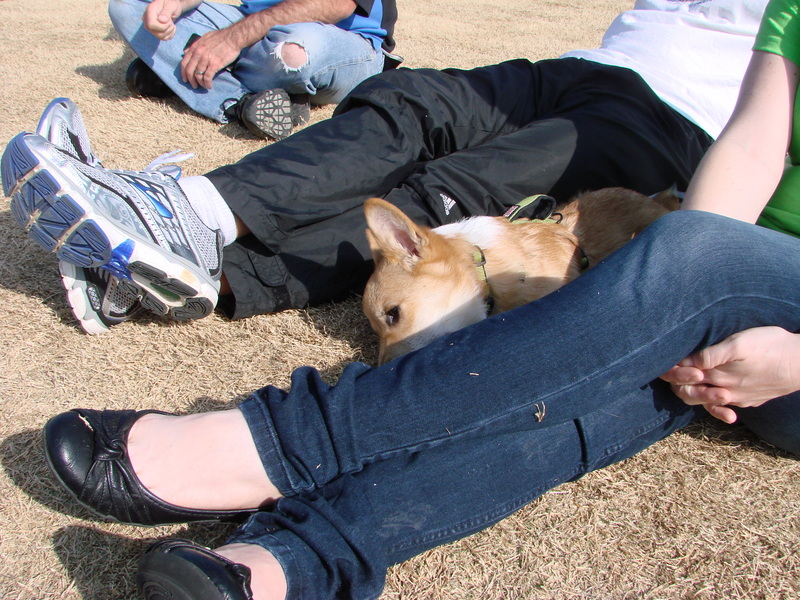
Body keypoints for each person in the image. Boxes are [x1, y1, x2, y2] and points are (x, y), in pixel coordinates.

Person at [21, 0, 800, 597]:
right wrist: (685, 298)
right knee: (617, 347)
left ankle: (282, 445)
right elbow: (753, 153)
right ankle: (293, 561)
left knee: (677, 263)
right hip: (728, 276)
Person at [1, 0, 767, 335]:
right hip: (572, 69)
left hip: (674, 116)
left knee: (443, 196)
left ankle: (200, 269)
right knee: (407, 100)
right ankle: (187, 214)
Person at [108, 0, 399, 140]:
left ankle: (179, 72)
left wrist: (233, 38)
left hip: (345, 41)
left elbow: (335, 5)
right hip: (255, 28)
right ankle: (243, 101)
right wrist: (173, 5)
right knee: (128, 6)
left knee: (294, 52)